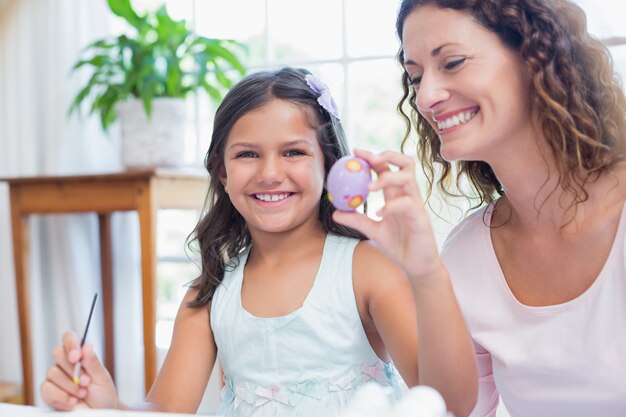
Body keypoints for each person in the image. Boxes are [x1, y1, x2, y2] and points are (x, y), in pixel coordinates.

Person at [41, 67, 478, 417]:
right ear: (222, 172)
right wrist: (110, 407)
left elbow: (449, 404)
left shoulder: (366, 269)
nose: (270, 172)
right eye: (248, 154)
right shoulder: (209, 294)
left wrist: (426, 273)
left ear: (331, 164)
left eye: (293, 152)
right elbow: (165, 410)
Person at [334, 1, 626, 417]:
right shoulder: (470, 253)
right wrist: (426, 273)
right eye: (415, 77)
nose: (426, 97)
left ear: (535, 56)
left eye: (452, 62)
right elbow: (452, 410)